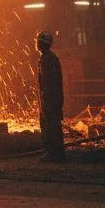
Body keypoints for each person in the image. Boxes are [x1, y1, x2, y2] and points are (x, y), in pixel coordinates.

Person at [36, 30, 66, 162]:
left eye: (38, 41)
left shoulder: (48, 59)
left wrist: (47, 101)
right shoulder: (47, 57)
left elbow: (49, 83)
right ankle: (54, 152)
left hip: (50, 100)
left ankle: (54, 154)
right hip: (50, 99)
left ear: (42, 43)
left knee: (51, 126)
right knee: (49, 125)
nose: (36, 43)